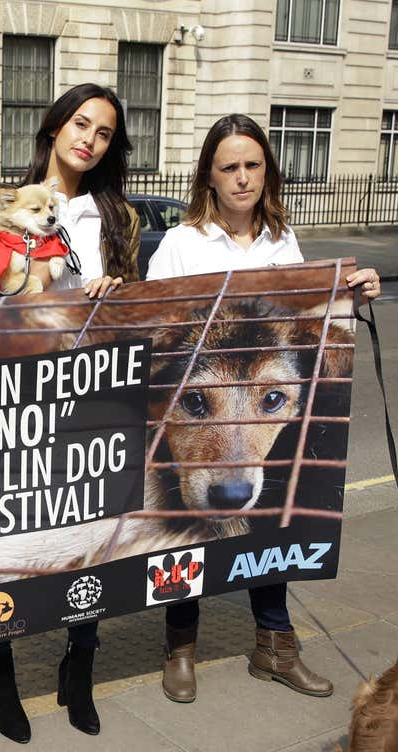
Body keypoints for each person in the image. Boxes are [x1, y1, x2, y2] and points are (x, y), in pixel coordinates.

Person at [144, 112, 381, 704]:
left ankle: (275, 647)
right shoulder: (182, 243)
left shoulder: (282, 242)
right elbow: (152, 327)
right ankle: (180, 649)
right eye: (229, 168)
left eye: (252, 166)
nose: (242, 179)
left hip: (260, 405)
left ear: (266, 173)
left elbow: (311, 314)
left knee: (270, 534)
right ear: (210, 177)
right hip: (189, 406)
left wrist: (353, 291)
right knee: (184, 538)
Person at [0, 84, 142, 744]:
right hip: (8, 395)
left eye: (105, 132)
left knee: (87, 539)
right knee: (3, 541)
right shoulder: (2, 201)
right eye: (80, 123)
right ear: (55, 126)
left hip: (85, 398)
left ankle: (79, 662)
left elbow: (136, 317)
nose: (90, 138)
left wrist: (115, 294)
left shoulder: (118, 218)